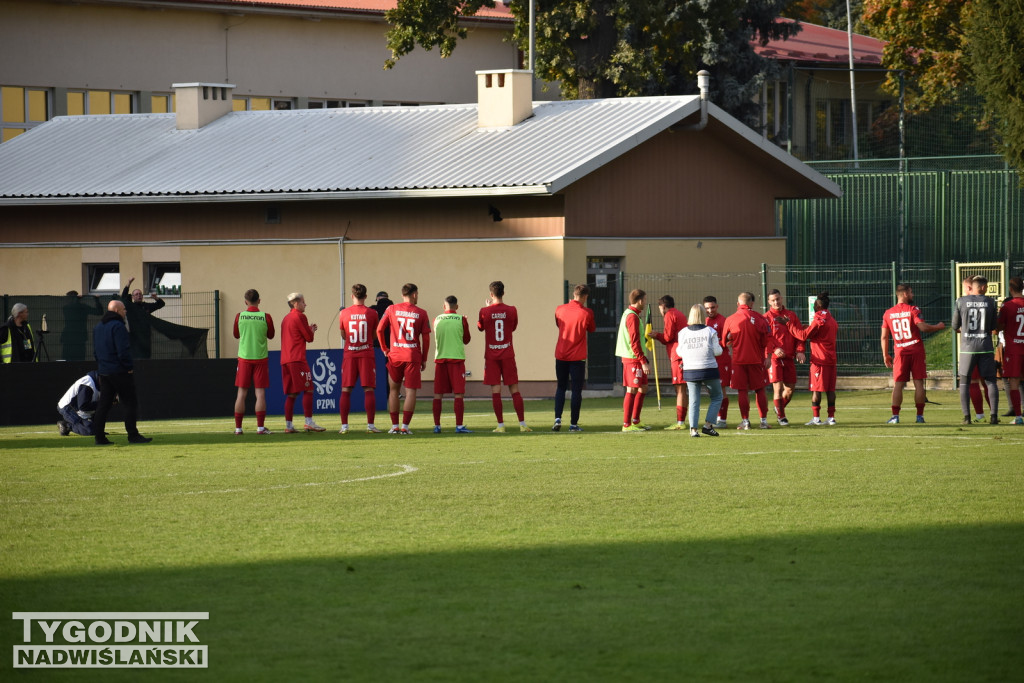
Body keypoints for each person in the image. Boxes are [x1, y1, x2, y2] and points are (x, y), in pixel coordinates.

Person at [881, 284, 946, 424]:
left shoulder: (888, 313)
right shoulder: (913, 309)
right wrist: (938, 327)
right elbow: (922, 327)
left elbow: (884, 337)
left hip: (900, 352)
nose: (913, 295)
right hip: (916, 350)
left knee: (898, 384)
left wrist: (885, 354)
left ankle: (895, 416)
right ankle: (919, 416)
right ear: (904, 294)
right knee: (919, 384)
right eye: (911, 292)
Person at [92, 300, 152, 445]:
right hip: (119, 371)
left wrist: (102, 367)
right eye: (124, 309)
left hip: (104, 371)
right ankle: (133, 435)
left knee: (103, 405)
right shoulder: (118, 326)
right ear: (118, 310)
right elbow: (123, 350)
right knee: (130, 403)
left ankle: (99, 437)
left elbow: (95, 352)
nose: (126, 312)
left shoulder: (98, 327)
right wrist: (128, 367)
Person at [376, 283, 431, 434]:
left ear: (402, 295)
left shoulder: (391, 309)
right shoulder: (421, 313)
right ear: (414, 294)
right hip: (412, 356)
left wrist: (384, 349)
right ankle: (405, 427)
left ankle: (394, 426)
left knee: (393, 390)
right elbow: (426, 339)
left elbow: (379, 329)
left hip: (395, 356)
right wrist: (424, 358)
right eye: (417, 294)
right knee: (410, 391)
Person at [478, 280, 530, 433]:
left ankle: (501, 425)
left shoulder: (484, 311)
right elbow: (513, 327)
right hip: (507, 354)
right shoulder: (512, 310)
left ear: (491, 294)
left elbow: (481, 327)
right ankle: (522, 424)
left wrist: (488, 309)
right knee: (514, 388)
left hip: (492, 356)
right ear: (503, 293)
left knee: (496, 390)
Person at [723, 292, 778, 430]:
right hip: (757, 360)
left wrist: (731, 340)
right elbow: (769, 339)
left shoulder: (730, 319)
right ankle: (763, 422)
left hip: (738, 360)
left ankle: (745, 421)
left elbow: (724, 342)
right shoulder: (760, 318)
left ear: (738, 304)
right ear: (752, 303)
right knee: (760, 390)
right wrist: (768, 357)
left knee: (742, 391)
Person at [787, 291, 839, 425]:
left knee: (816, 389)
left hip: (819, 360)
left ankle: (816, 418)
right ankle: (831, 417)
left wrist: (789, 325)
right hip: (831, 359)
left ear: (817, 307)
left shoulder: (818, 320)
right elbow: (818, 333)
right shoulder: (832, 320)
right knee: (830, 389)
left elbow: (803, 335)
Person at [953, 275, 1000, 425]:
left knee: (965, 383)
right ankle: (993, 416)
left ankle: (967, 418)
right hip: (985, 347)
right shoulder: (991, 302)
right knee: (990, 381)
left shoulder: (961, 301)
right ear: (982, 287)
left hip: (967, 348)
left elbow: (954, 325)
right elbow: (993, 326)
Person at [338, 284, 381, 433]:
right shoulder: (372, 313)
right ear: (366, 296)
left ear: (352, 296)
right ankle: (370, 425)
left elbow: (343, 334)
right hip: (366, 354)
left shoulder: (344, 313)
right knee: (368, 389)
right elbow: (375, 334)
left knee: (346, 389)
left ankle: (344, 426)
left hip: (350, 354)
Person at [280, 292, 326, 433]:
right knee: (309, 389)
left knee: (292, 393)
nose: (305, 304)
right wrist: (311, 330)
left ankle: (289, 426)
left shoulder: (285, 318)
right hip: (297, 359)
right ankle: (309, 422)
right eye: (303, 302)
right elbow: (309, 338)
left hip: (285, 360)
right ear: (295, 303)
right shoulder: (300, 316)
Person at [553, 284, 595, 432]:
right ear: (585, 297)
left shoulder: (560, 309)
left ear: (573, 294)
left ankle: (557, 419)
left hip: (561, 354)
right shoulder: (587, 312)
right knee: (576, 391)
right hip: (577, 357)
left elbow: (559, 324)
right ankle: (573, 424)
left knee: (561, 387)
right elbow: (591, 329)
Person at [677, 304, 723, 437]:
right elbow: (717, 351)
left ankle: (693, 430)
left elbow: (679, 352)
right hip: (709, 369)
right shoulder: (710, 331)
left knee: (693, 400)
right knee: (717, 396)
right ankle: (708, 425)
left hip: (690, 370)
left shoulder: (683, 332)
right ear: (703, 315)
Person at [233, 288, 275, 435]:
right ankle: (260, 427)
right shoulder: (266, 317)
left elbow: (236, 335)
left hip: (244, 359)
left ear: (245, 301)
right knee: (260, 393)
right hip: (260, 359)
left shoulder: (240, 316)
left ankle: (238, 428)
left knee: (241, 394)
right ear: (259, 301)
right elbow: (271, 335)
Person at [764, 289, 806, 426]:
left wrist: (800, 351)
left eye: (778, 299)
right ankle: (781, 417)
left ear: (781, 299)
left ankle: (778, 408)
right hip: (775, 358)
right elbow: (765, 339)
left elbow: (799, 335)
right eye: (773, 300)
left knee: (790, 389)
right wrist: (774, 350)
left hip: (789, 357)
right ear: (769, 302)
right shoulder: (766, 318)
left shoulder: (791, 315)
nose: (776, 302)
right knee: (778, 388)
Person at [433, 295, 473, 434]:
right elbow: (466, 339)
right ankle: (459, 426)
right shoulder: (461, 319)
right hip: (456, 360)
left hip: (440, 359)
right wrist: (465, 323)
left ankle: (437, 426)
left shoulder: (437, 319)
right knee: (458, 394)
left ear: (444, 307)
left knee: (438, 394)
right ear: (457, 306)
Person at [649, 295, 689, 430]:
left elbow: (668, 337)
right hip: (681, 353)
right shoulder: (679, 313)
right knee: (680, 388)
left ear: (663, 306)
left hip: (678, 355)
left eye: (660, 308)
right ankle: (681, 421)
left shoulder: (669, 315)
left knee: (680, 388)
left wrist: (656, 335)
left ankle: (680, 422)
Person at [617, 288, 651, 432]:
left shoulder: (632, 314)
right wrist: (643, 361)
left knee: (643, 388)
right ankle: (626, 424)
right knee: (631, 389)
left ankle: (635, 421)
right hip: (633, 358)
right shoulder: (632, 317)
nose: (645, 303)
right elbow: (634, 342)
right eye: (644, 300)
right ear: (640, 300)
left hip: (635, 357)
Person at [996, 276, 1024, 425]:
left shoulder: (1007, 306)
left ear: (1011, 289)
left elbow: (999, 327)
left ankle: (1018, 416)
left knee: (1013, 381)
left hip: (1014, 348)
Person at [702, 296, 732, 427]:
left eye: (712, 307)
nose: (710, 310)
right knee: (711, 391)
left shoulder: (723, 321)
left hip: (721, 360)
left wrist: (711, 345)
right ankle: (717, 418)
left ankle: (722, 420)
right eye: (707, 308)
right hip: (708, 361)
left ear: (717, 306)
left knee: (720, 390)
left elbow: (728, 341)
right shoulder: (704, 321)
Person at [120, 276, 165, 360]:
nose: (139, 296)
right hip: (134, 336)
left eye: (140, 294)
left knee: (146, 356)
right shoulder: (130, 306)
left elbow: (161, 304)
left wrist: (156, 298)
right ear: (133, 297)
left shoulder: (146, 306)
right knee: (135, 355)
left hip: (145, 335)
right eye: (136, 294)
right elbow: (123, 297)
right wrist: (128, 283)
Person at [61, 290, 103, 361]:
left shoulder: (66, 308)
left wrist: (79, 298)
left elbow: (72, 305)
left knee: (68, 360)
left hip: (68, 337)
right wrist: (96, 299)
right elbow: (99, 312)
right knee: (80, 359)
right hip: (80, 337)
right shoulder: (83, 307)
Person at [57, 371, 102, 436]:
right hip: (68, 407)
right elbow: (83, 406)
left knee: (96, 430)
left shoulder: (98, 383)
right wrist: (102, 403)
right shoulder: (87, 383)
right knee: (89, 431)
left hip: (79, 409)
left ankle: (91, 427)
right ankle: (66, 425)